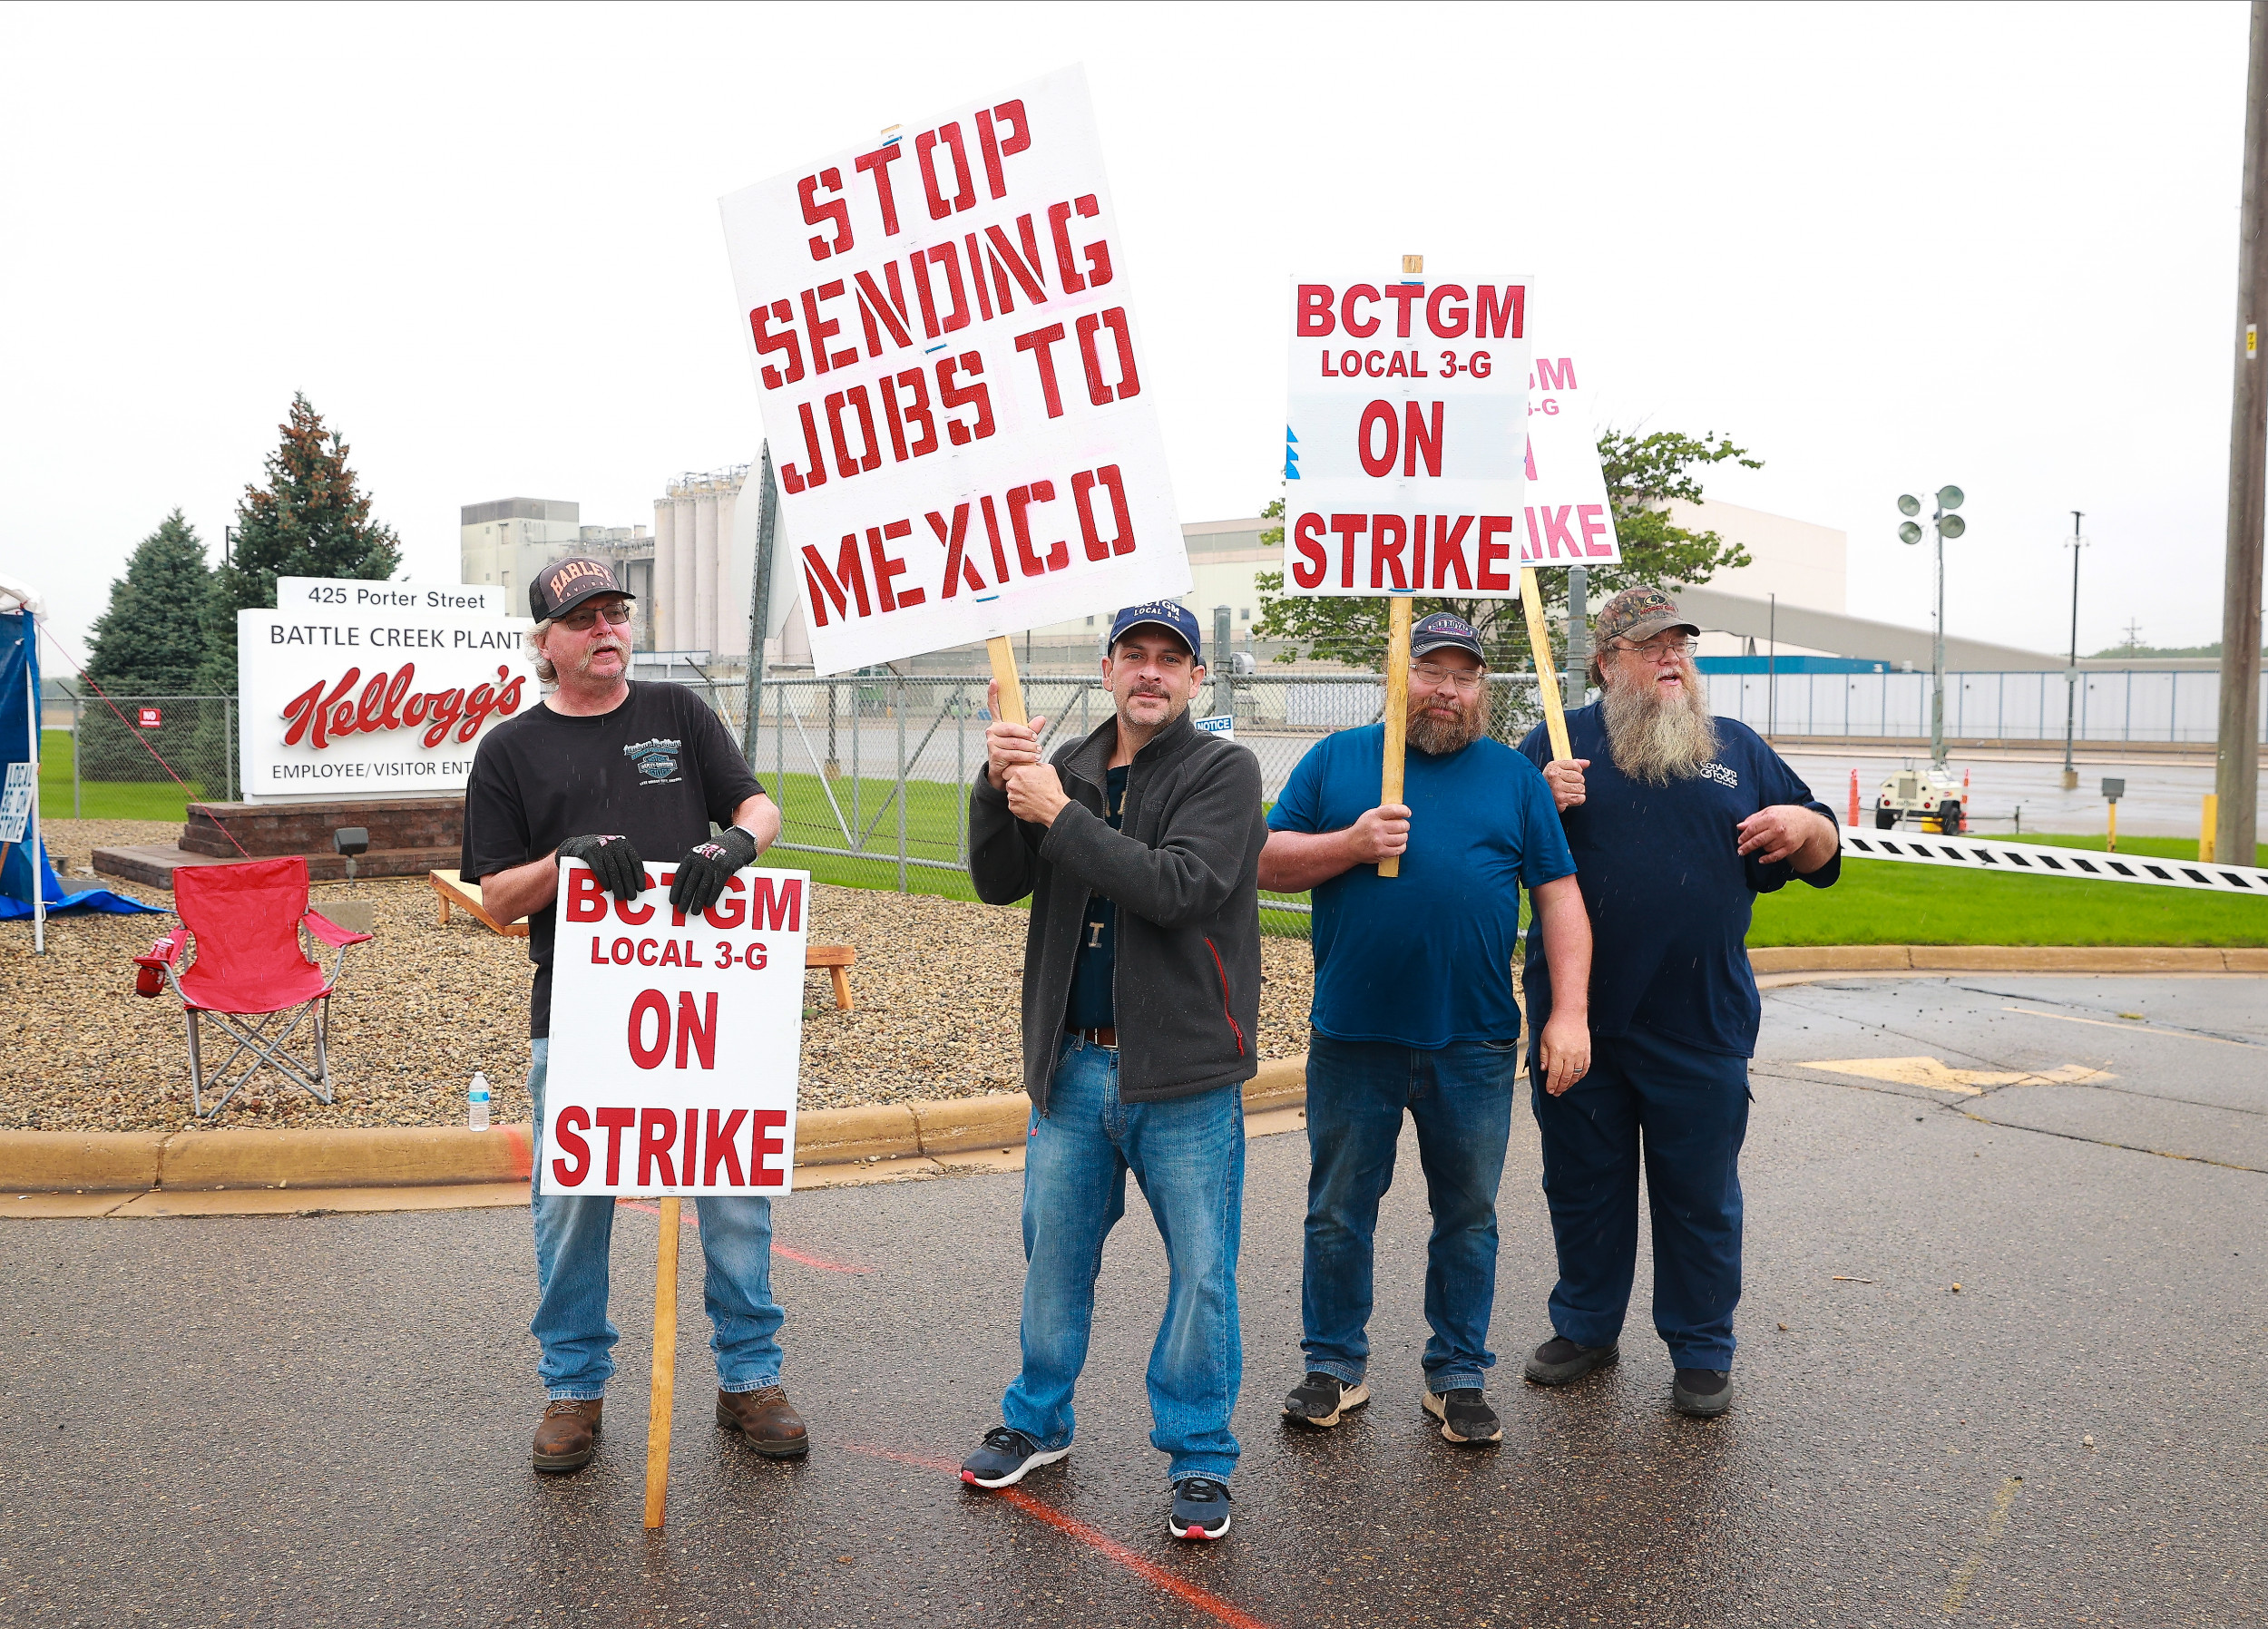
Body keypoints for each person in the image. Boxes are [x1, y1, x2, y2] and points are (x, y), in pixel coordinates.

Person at [460, 555, 801, 1473]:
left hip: (706, 1002)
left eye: (615, 612)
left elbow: (762, 806)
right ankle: (573, 1389)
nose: (605, 629)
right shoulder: (509, 750)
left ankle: (749, 1378)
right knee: (572, 1206)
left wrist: (735, 844)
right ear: (545, 643)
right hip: (577, 1014)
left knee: (731, 1193)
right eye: (582, 619)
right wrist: (564, 860)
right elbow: (493, 896)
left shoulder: (678, 713)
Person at [958, 602, 1266, 1542]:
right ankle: (1036, 1420)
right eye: (1134, 653)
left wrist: (1057, 812)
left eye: (1171, 659)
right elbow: (996, 878)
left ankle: (1201, 1453)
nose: (1151, 671)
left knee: (1202, 1273)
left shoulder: (1223, 769)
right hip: (1073, 1065)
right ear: (1106, 667)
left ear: (1195, 678)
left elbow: (1182, 888)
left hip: (1181, 1074)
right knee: (1054, 1263)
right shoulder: (1073, 765)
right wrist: (995, 780)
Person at [1261, 611, 1593, 1447]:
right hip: (1354, 1038)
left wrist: (1569, 1012)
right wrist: (1349, 841)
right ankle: (1334, 1367)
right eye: (1431, 670)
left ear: (1483, 688)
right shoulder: (1339, 760)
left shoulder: (1513, 779)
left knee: (1469, 1214)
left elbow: (1559, 897)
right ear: (1399, 675)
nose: (1447, 689)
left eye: (1465, 675)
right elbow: (1261, 860)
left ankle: (1457, 1374)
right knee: (1338, 1209)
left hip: (1475, 1043)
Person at [1516, 586, 1840, 1419]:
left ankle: (1701, 1347)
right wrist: (1533, 804)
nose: (1673, 659)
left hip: (1701, 1019)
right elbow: (1492, 852)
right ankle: (1586, 1326)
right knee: (1583, 1184)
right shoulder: (1557, 746)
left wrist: (1808, 833)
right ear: (1606, 661)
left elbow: (1819, 837)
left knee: (1698, 1192)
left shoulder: (1732, 745)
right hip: (1579, 1016)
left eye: (1683, 646)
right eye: (1653, 645)